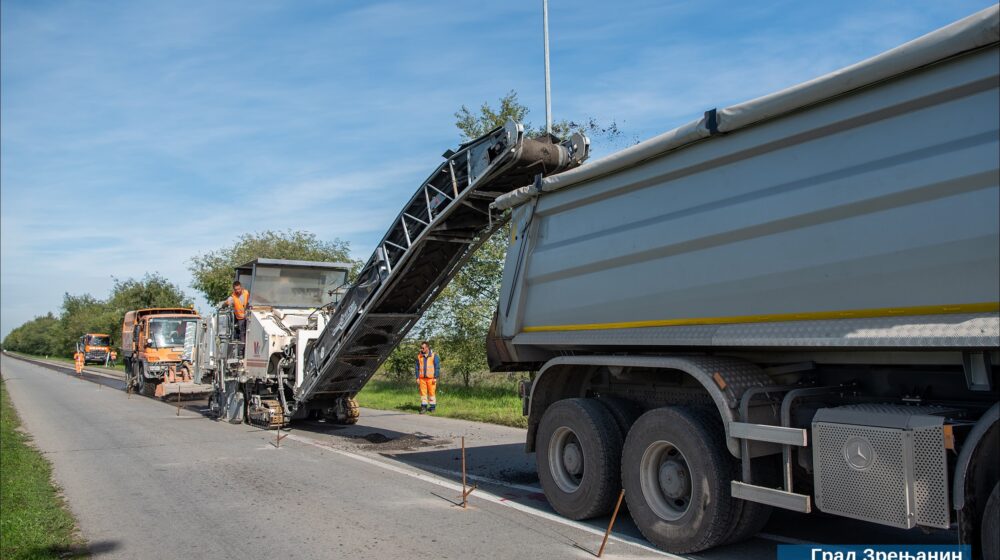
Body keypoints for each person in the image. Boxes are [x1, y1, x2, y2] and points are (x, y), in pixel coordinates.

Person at [415, 341, 440, 414]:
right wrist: (417, 378)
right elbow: (417, 368)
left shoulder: (434, 355)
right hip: (422, 379)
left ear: (427, 348)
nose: (421, 349)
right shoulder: (419, 356)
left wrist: (435, 377)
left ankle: (432, 408)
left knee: (432, 393)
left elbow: (437, 367)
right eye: (421, 348)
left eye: (423, 348)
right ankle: (423, 408)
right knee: (423, 394)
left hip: (431, 378)